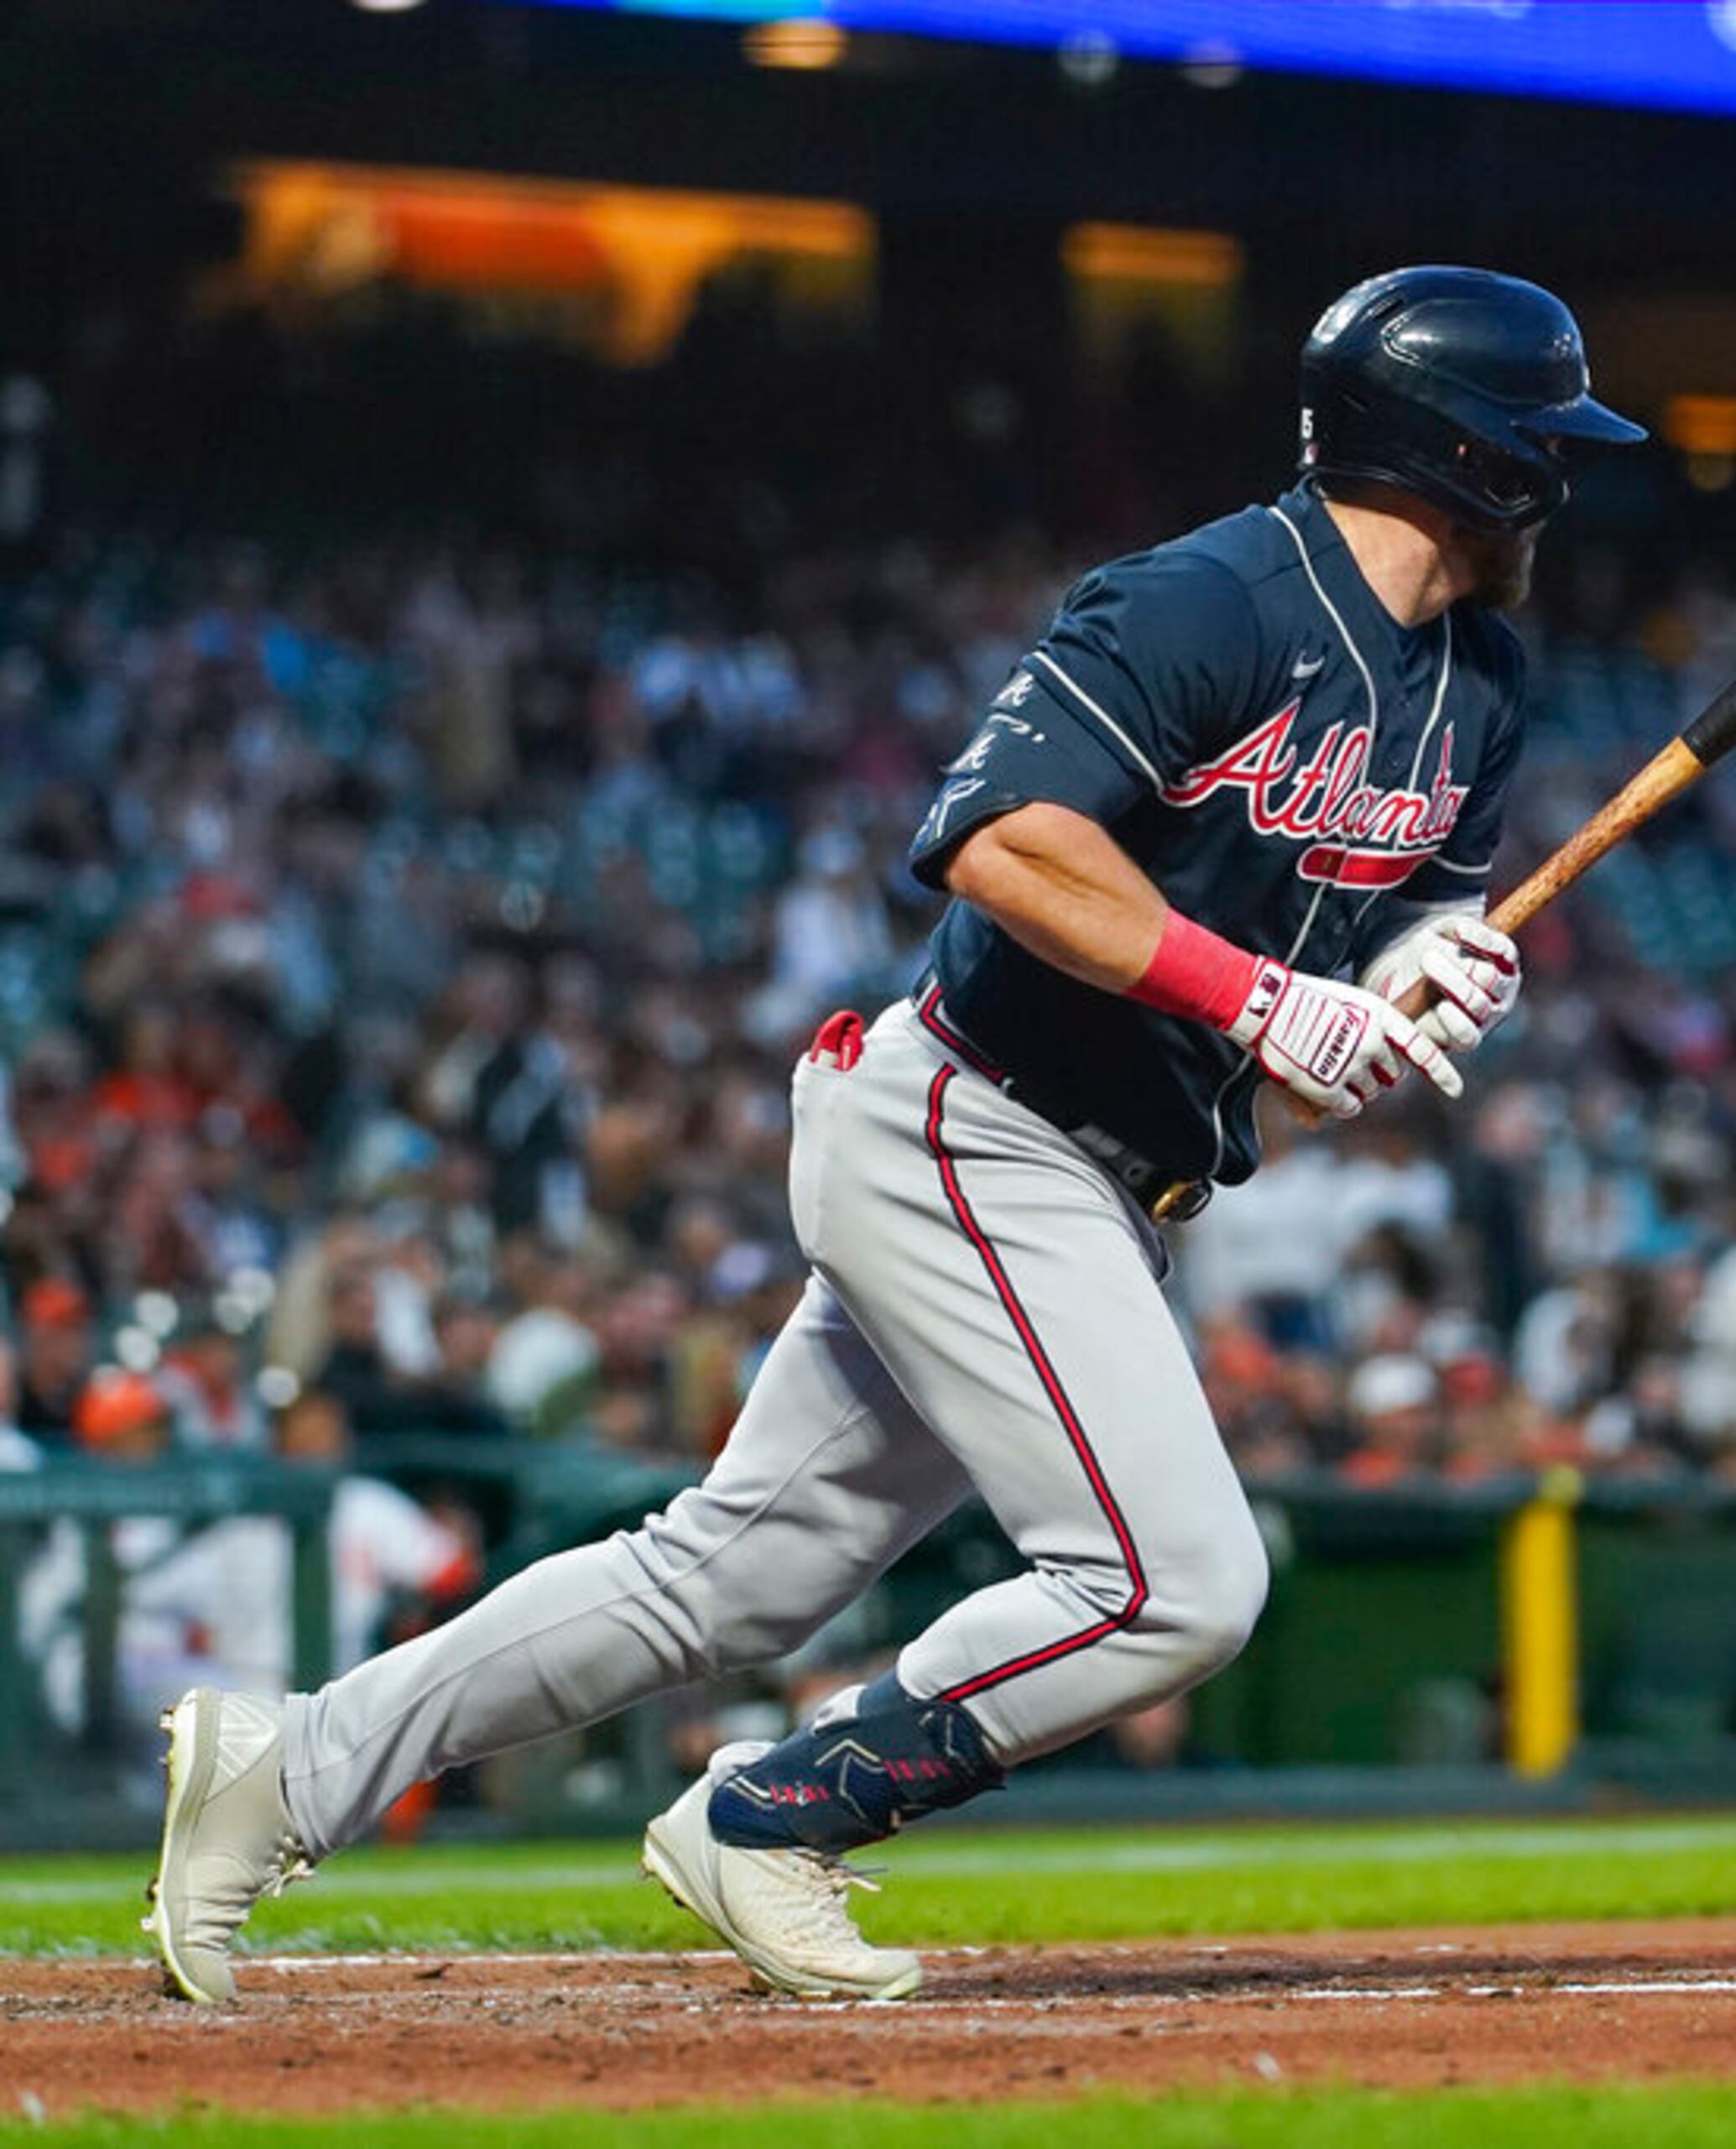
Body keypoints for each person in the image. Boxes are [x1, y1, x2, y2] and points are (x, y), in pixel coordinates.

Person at [143, 266, 1640, 2006]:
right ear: (1469, 453)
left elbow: (1329, 1032)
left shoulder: (1481, 682)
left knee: (728, 1579)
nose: (1567, 478)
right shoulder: (1213, 596)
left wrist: (1414, 983)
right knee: (1179, 1586)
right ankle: (777, 1813)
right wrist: (1257, 993)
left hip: (1104, 1170)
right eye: (1548, 443)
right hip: (977, 1121)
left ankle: (291, 1760)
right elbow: (995, 838)